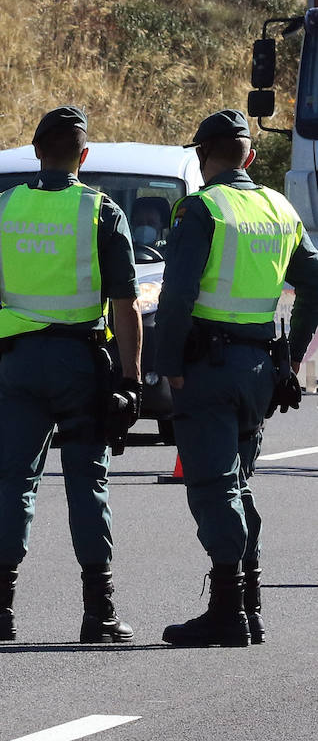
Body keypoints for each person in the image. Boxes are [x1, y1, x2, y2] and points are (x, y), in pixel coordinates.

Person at [0, 105, 141, 643]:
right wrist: (131, 382)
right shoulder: (101, 212)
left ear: (36, 151)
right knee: (88, 485)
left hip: (18, 362)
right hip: (82, 364)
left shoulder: (2, 209)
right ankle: (99, 612)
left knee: (14, 485)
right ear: (83, 155)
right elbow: (125, 305)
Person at [154, 109, 318, 647]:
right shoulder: (278, 207)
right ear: (249, 156)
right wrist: (291, 357)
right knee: (240, 484)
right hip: (259, 370)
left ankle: (227, 609)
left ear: (203, 156)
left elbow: (177, 295)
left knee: (213, 486)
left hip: (207, 368)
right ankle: (249, 604)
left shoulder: (200, 209)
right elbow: (314, 283)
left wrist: (169, 364)